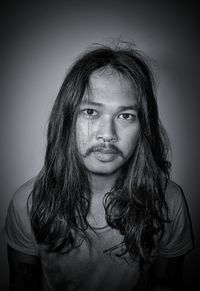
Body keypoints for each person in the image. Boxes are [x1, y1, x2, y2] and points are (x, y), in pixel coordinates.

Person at [4, 43, 194, 291]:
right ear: (67, 120)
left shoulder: (169, 200)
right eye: (91, 111)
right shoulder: (27, 201)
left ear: (143, 129)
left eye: (125, 115)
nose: (107, 135)